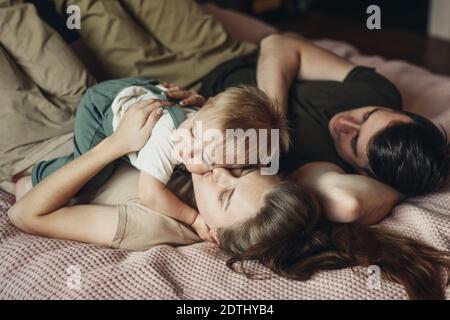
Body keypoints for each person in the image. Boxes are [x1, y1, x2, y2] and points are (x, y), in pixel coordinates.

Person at [15, 77, 287, 241]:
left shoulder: (152, 226)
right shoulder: (187, 140)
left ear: (217, 235)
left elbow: (25, 212)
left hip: (34, 140)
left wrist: (115, 145)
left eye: (224, 196)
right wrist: (200, 108)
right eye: (240, 171)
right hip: (107, 104)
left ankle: (38, 174)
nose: (218, 172)